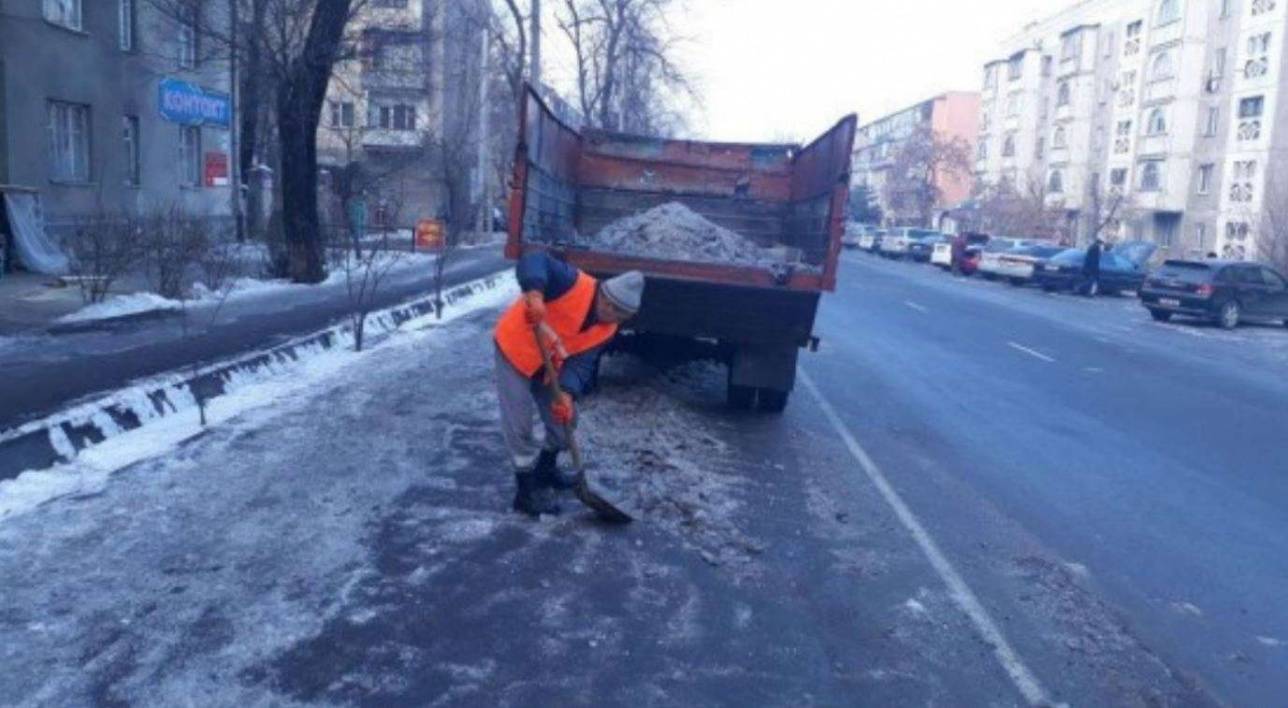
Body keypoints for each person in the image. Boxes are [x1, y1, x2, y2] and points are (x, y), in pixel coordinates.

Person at [493, 251, 644, 517]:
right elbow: (534, 259)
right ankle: (524, 492)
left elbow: (582, 363)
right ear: (607, 300)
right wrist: (536, 293)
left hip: (548, 366)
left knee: (565, 421)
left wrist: (567, 393)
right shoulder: (572, 282)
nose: (615, 320)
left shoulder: (608, 328)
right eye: (615, 312)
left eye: (623, 317)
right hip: (515, 350)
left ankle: (545, 471)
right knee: (520, 424)